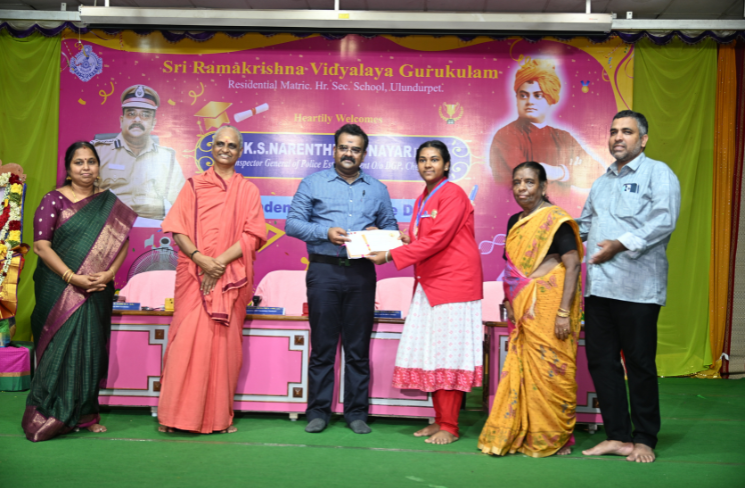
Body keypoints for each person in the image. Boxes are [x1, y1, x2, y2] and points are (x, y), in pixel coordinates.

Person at [579, 111, 680, 463]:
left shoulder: (658, 173)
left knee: (638, 364)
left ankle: (645, 438)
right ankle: (618, 436)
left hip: (637, 288)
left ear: (643, 139)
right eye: (613, 131)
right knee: (601, 363)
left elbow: (664, 220)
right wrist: (545, 230)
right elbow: (584, 226)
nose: (618, 137)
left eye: (627, 131)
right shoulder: (601, 182)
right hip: (598, 288)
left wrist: (619, 245)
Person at [367, 140, 483, 445]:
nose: (428, 164)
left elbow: (438, 240)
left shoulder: (453, 194)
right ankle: (440, 420)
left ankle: (451, 426)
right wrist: (395, 240)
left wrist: (389, 255)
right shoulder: (422, 198)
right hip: (430, 284)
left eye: (434, 159)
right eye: (422, 159)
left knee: (449, 356)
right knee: (433, 353)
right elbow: (423, 240)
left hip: (454, 285)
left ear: (447, 165)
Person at [286, 123, 398, 435]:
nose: (349, 153)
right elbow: (292, 224)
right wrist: (324, 232)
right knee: (323, 347)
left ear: (364, 154)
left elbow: (391, 228)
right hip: (323, 271)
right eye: (344, 147)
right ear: (334, 150)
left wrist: (381, 236)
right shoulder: (313, 183)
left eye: (355, 149)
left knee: (357, 348)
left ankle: (356, 412)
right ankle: (318, 412)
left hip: (361, 273)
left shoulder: (377, 189)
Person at [22, 141, 137, 442]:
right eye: (79, 162)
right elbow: (41, 246)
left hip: (97, 287)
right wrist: (72, 277)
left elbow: (122, 242)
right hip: (58, 288)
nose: (86, 167)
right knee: (58, 350)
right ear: (68, 169)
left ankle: (85, 416)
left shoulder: (109, 203)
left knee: (90, 350)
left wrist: (109, 275)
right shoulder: (53, 200)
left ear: (98, 167)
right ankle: (48, 411)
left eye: (91, 161)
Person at [157, 125, 266, 434]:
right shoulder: (193, 186)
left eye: (232, 145)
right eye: (220, 143)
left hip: (231, 278)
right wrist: (200, 259)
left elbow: (253, 236)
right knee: (185, 344)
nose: (225, 149)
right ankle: (173, 417)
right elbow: (178, 229)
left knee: (223, 349)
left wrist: (217, 263)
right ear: (212, 148)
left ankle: (217, 418)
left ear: (240, 152)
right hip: (194, 275)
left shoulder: (248, 191)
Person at [478, 161, 583, 457]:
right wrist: (508, 301)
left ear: (543, 186)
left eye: (529, 182)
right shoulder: (515, 221)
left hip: (550, 306)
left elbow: (573, 265)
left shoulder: (556, 220)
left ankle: (555, 437)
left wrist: (563, 313)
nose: (522, 188)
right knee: (524, 367)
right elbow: (512, 268)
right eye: (517, 182)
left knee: (552, 370)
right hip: (521, 306)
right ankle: (522, 431)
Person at [489, 59, 606, 203]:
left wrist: (558, 172)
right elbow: (528, 178)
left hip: (560, 212)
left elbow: (597, 172)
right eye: (523, 95)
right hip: (519, 211)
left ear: (550, 98)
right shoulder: (506, 135)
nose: (530, 101)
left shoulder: (563, 137)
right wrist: (571, 171)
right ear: (517, 98)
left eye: (538, 95)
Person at [94, 84, 186, 222]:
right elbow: (81, 197)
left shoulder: (167, 158)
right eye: (131, 114)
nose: (137, 120)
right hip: (108, 225)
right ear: (122, 120)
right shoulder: (99, 152)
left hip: (150, 229)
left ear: (153, 123)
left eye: (145, 115)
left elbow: (182, 203)